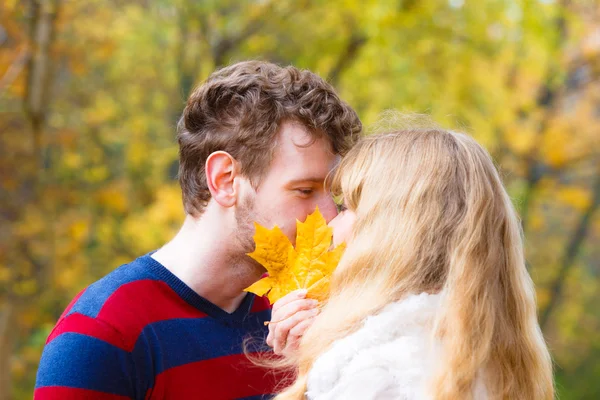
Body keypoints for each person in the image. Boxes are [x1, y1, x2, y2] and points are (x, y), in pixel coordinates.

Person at [34, 61, 362, 400]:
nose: (328, 215)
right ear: (224, 180)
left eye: (333, 195)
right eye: (305, 190)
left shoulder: (302, 319)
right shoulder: (105, 332)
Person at [270, 122, 554, 399]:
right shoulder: (483, 361)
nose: (329, 225)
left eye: (347, 207)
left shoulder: (376, 375)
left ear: (388, 231)